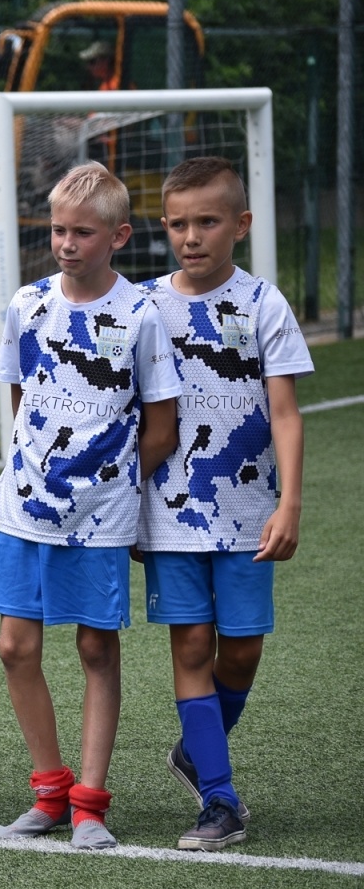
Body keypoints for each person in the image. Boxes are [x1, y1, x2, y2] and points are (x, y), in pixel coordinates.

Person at [0, 161, 181, 849]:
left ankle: (91, 805)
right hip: (26, 505)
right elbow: (17, 396)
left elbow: (162, 427)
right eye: (59, 230)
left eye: (83, 233)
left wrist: (117, 487)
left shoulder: (142, 315)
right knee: (14, 646)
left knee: (96, 647)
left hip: (101, 512)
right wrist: (34, 464)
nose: (67, 244)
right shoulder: (26, 304)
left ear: (119, 235)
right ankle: (50, 792)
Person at [136, 157, 313, 851]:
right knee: (188, 646)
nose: (191, 236)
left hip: (248, 514)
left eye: (207, 221)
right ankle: (219, 799)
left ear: (240, 224)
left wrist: (290, 502)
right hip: (168, 514)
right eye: (178, 223)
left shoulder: (264, 303)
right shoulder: (143, 304)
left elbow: (287, 413)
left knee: (239, 654)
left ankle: (196, 751)